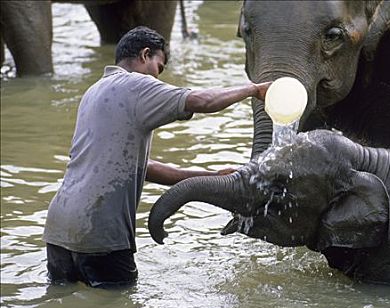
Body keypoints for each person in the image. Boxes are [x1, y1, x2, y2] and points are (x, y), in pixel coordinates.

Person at [43, 26, 271, 288]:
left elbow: (143, 167)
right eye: (159, 67)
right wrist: (253, 90)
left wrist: (211, 176)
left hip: (58, 230)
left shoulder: (94, 92)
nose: (159, 76)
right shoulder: (138, 85)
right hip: (100, 233)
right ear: (145, 55)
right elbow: (201, 100)